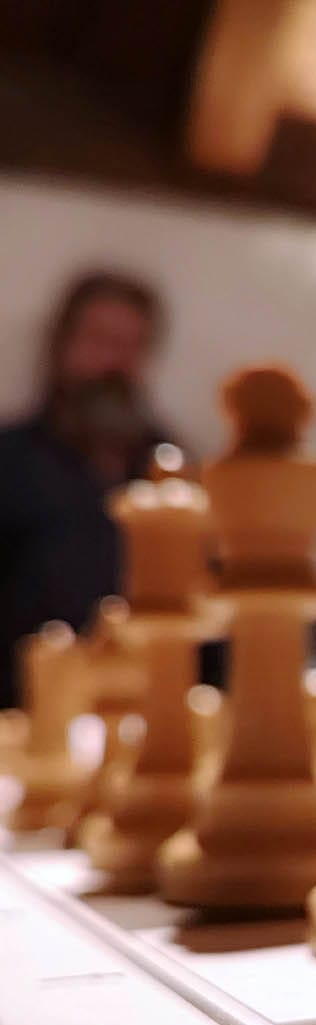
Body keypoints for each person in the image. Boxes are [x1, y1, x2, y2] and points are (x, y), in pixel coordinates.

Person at [0, 271, 170, 707]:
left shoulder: (171, 473)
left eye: (132, 346)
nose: (116, 363)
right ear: (62, 345)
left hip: (149, 716)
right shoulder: (9, 461)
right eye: (101, 341)